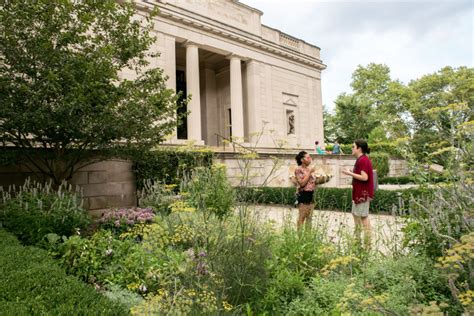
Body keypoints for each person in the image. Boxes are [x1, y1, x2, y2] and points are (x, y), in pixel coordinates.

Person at [342, 139, 374, 248]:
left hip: (362, 195)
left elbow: (365, 177)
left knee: (363, 218)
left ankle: (367, 245)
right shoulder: (360, 160)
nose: (351, 148)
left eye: (353, 146)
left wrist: (349, 173)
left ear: (359, 148)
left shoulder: (363, 160)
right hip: (358, 194)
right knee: (356, 215)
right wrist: (351, 171)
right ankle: (358, 241)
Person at [294, 151, 316, 230]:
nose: (310, 159)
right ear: (302, 160)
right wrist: (310, 172)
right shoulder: (298, 170)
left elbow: (312, 182)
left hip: (311, 194)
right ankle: (300, 240)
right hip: (304, 194)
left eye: (310, 157)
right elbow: (302, 184)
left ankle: (308, 238)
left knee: (309, 219)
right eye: (308, 157)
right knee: (302, 218)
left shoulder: (309, 169)